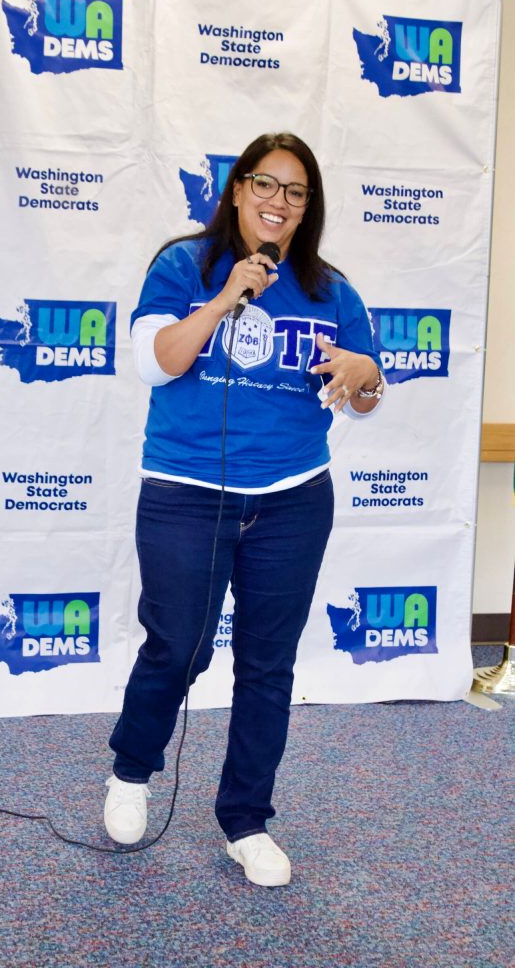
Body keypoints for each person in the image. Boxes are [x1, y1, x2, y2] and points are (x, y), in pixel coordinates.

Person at [104, 132, 384, 887]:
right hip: (184, 493)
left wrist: (366, 375)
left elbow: (362, 395)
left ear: (306, 209)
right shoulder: (182, 265)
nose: (278, 202)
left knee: (267, 666)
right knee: (178, 647)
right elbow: (154, 362)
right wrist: (225, 296)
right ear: (236, 191)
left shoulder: (332, 290)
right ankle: (131, 771)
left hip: (293, 499)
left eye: (294, 192)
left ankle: (245, 820)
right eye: (265, 184)